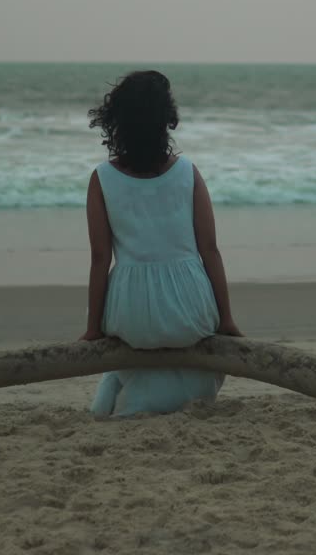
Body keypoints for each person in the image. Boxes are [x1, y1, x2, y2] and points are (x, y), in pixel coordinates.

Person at [82, 70, 243, 417]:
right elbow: (209, 250)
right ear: (166, 119)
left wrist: (93, 328)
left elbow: (100, 259)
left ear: (117, 121)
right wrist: (226, 320)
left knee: (133, 357)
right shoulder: (188, 172)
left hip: (131, 316)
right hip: (190, 312)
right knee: (189, 357)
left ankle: (125, 394)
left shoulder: (102, 178)